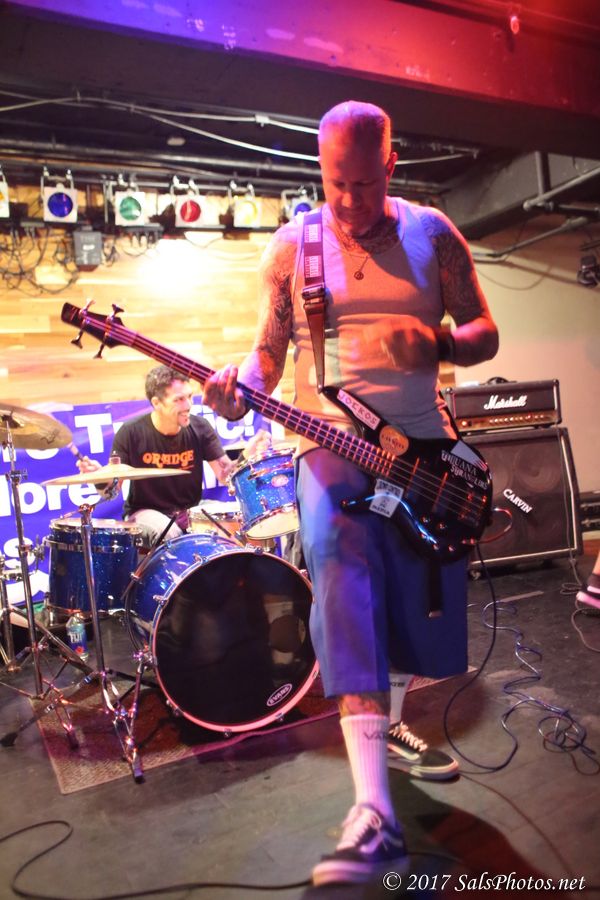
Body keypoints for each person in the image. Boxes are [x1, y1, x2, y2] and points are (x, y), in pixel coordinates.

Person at [203, 100, 499, 885]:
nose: (348, 200)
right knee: (343, 590)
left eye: (364, 184)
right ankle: (373, 812)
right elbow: (266, 359)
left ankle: (389, 728)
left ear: (391, 167)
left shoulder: (433, 233)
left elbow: (484, 330)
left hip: (425, 456)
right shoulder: (292, 246)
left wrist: (438, 340)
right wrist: (236, 390)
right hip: (330, 446)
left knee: (411, 610)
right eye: (335, 183)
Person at [77, 364, 269, 547]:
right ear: (156, 403)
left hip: (190, 509)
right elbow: (111, 493)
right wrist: (99, 478)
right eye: (179, 400)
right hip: (145, 512)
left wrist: (247, 455)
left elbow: (225, 474)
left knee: (235, 520)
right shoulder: (131, 432)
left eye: (189, 396)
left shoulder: (200, 427)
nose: (188, 405)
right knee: (170, 534)